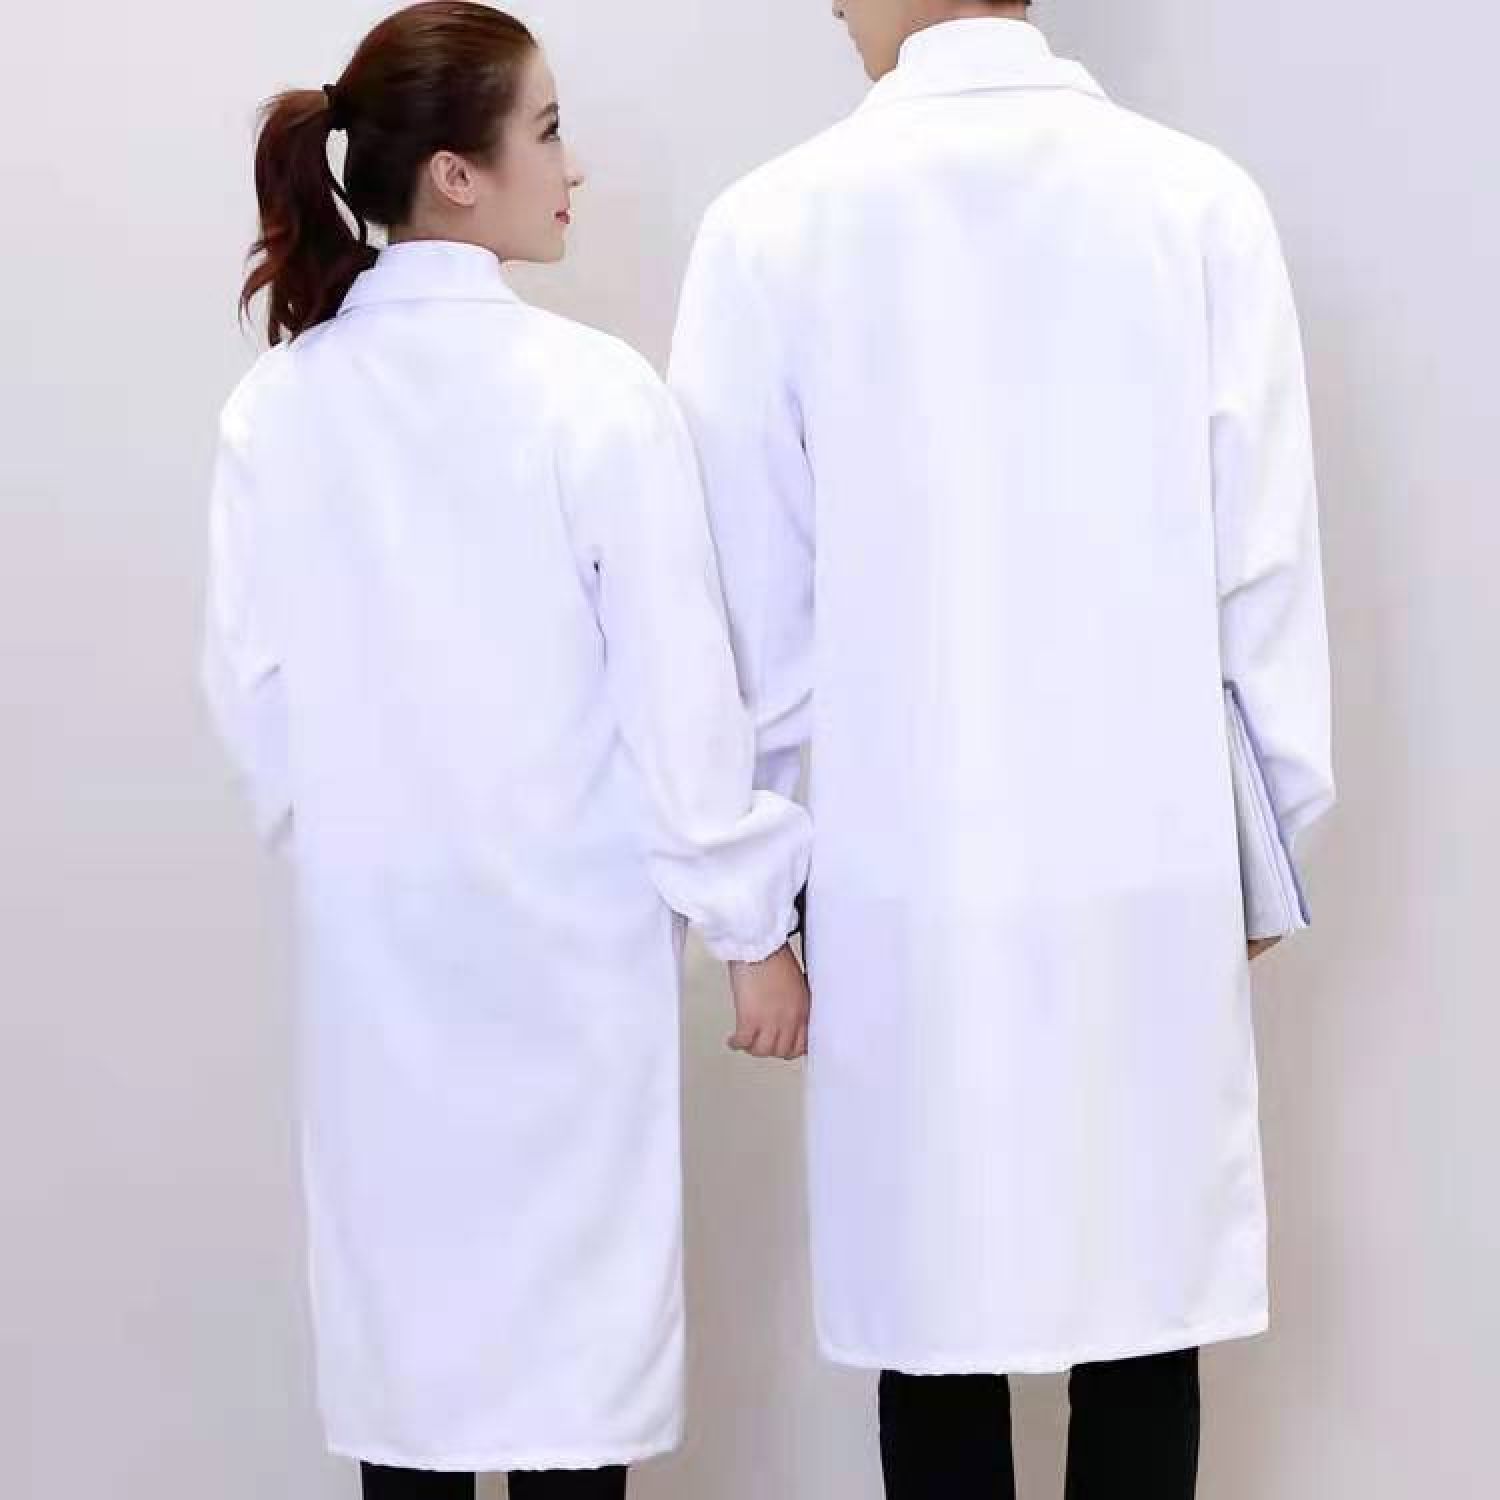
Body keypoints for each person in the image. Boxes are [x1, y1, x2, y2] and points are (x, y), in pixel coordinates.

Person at [667, 2, 1335, 1495]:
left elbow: (748, 621)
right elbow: (1265, 568)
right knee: (1144, 1298)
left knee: (934, 1315)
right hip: (1149, 854)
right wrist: (1268, 841)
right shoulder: (1195, 201)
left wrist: (755, 900)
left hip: (900, 870)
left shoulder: (774, 225)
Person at [201, 5, 812, 1496]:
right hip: (567, 971)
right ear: (456, 176)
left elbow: (253, 696)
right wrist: (752, 930)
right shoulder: (593, 394)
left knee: (411, 1385)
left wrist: (364, 847)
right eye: (547, 131)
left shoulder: (280, 408)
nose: (574, 166)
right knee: (568, 1401)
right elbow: (679, 698)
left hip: (379, 975)